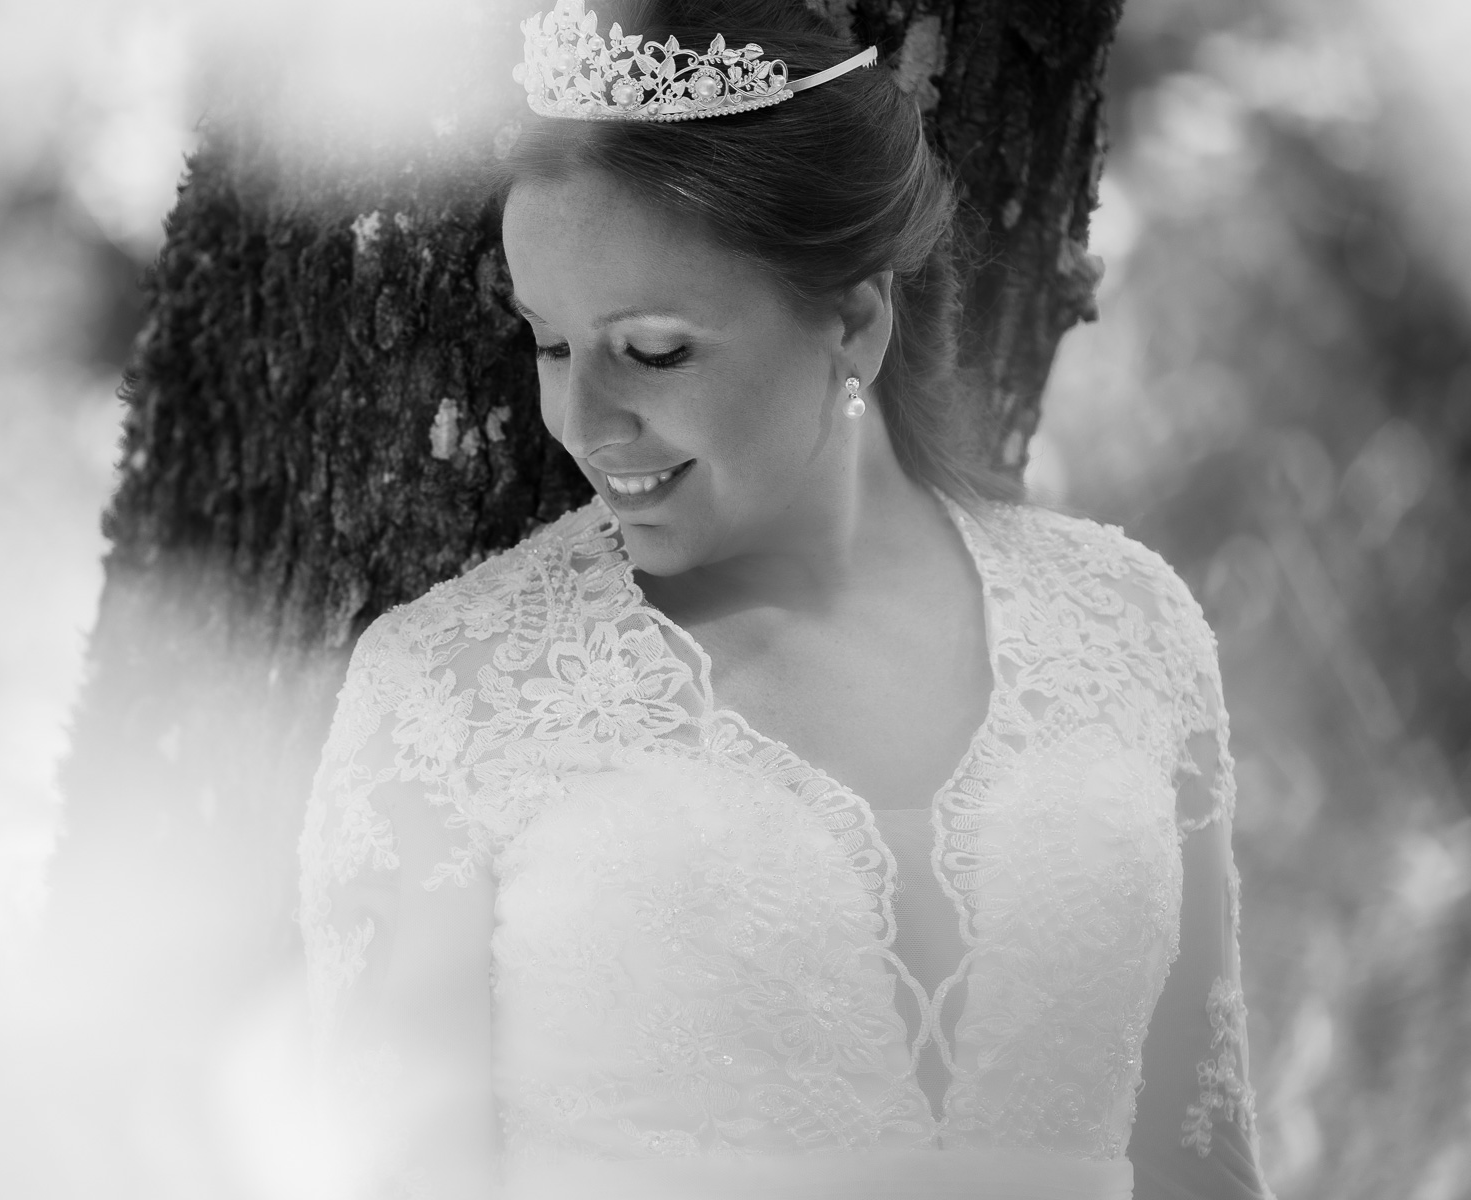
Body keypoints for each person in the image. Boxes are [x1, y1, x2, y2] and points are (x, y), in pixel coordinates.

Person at [298, 1, 1270, 1196]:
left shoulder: (1129, 625)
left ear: (853, 321)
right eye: (551, 345)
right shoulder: (447, 697)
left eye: (654, 351)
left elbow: (1200, 1157)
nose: (584, 422)